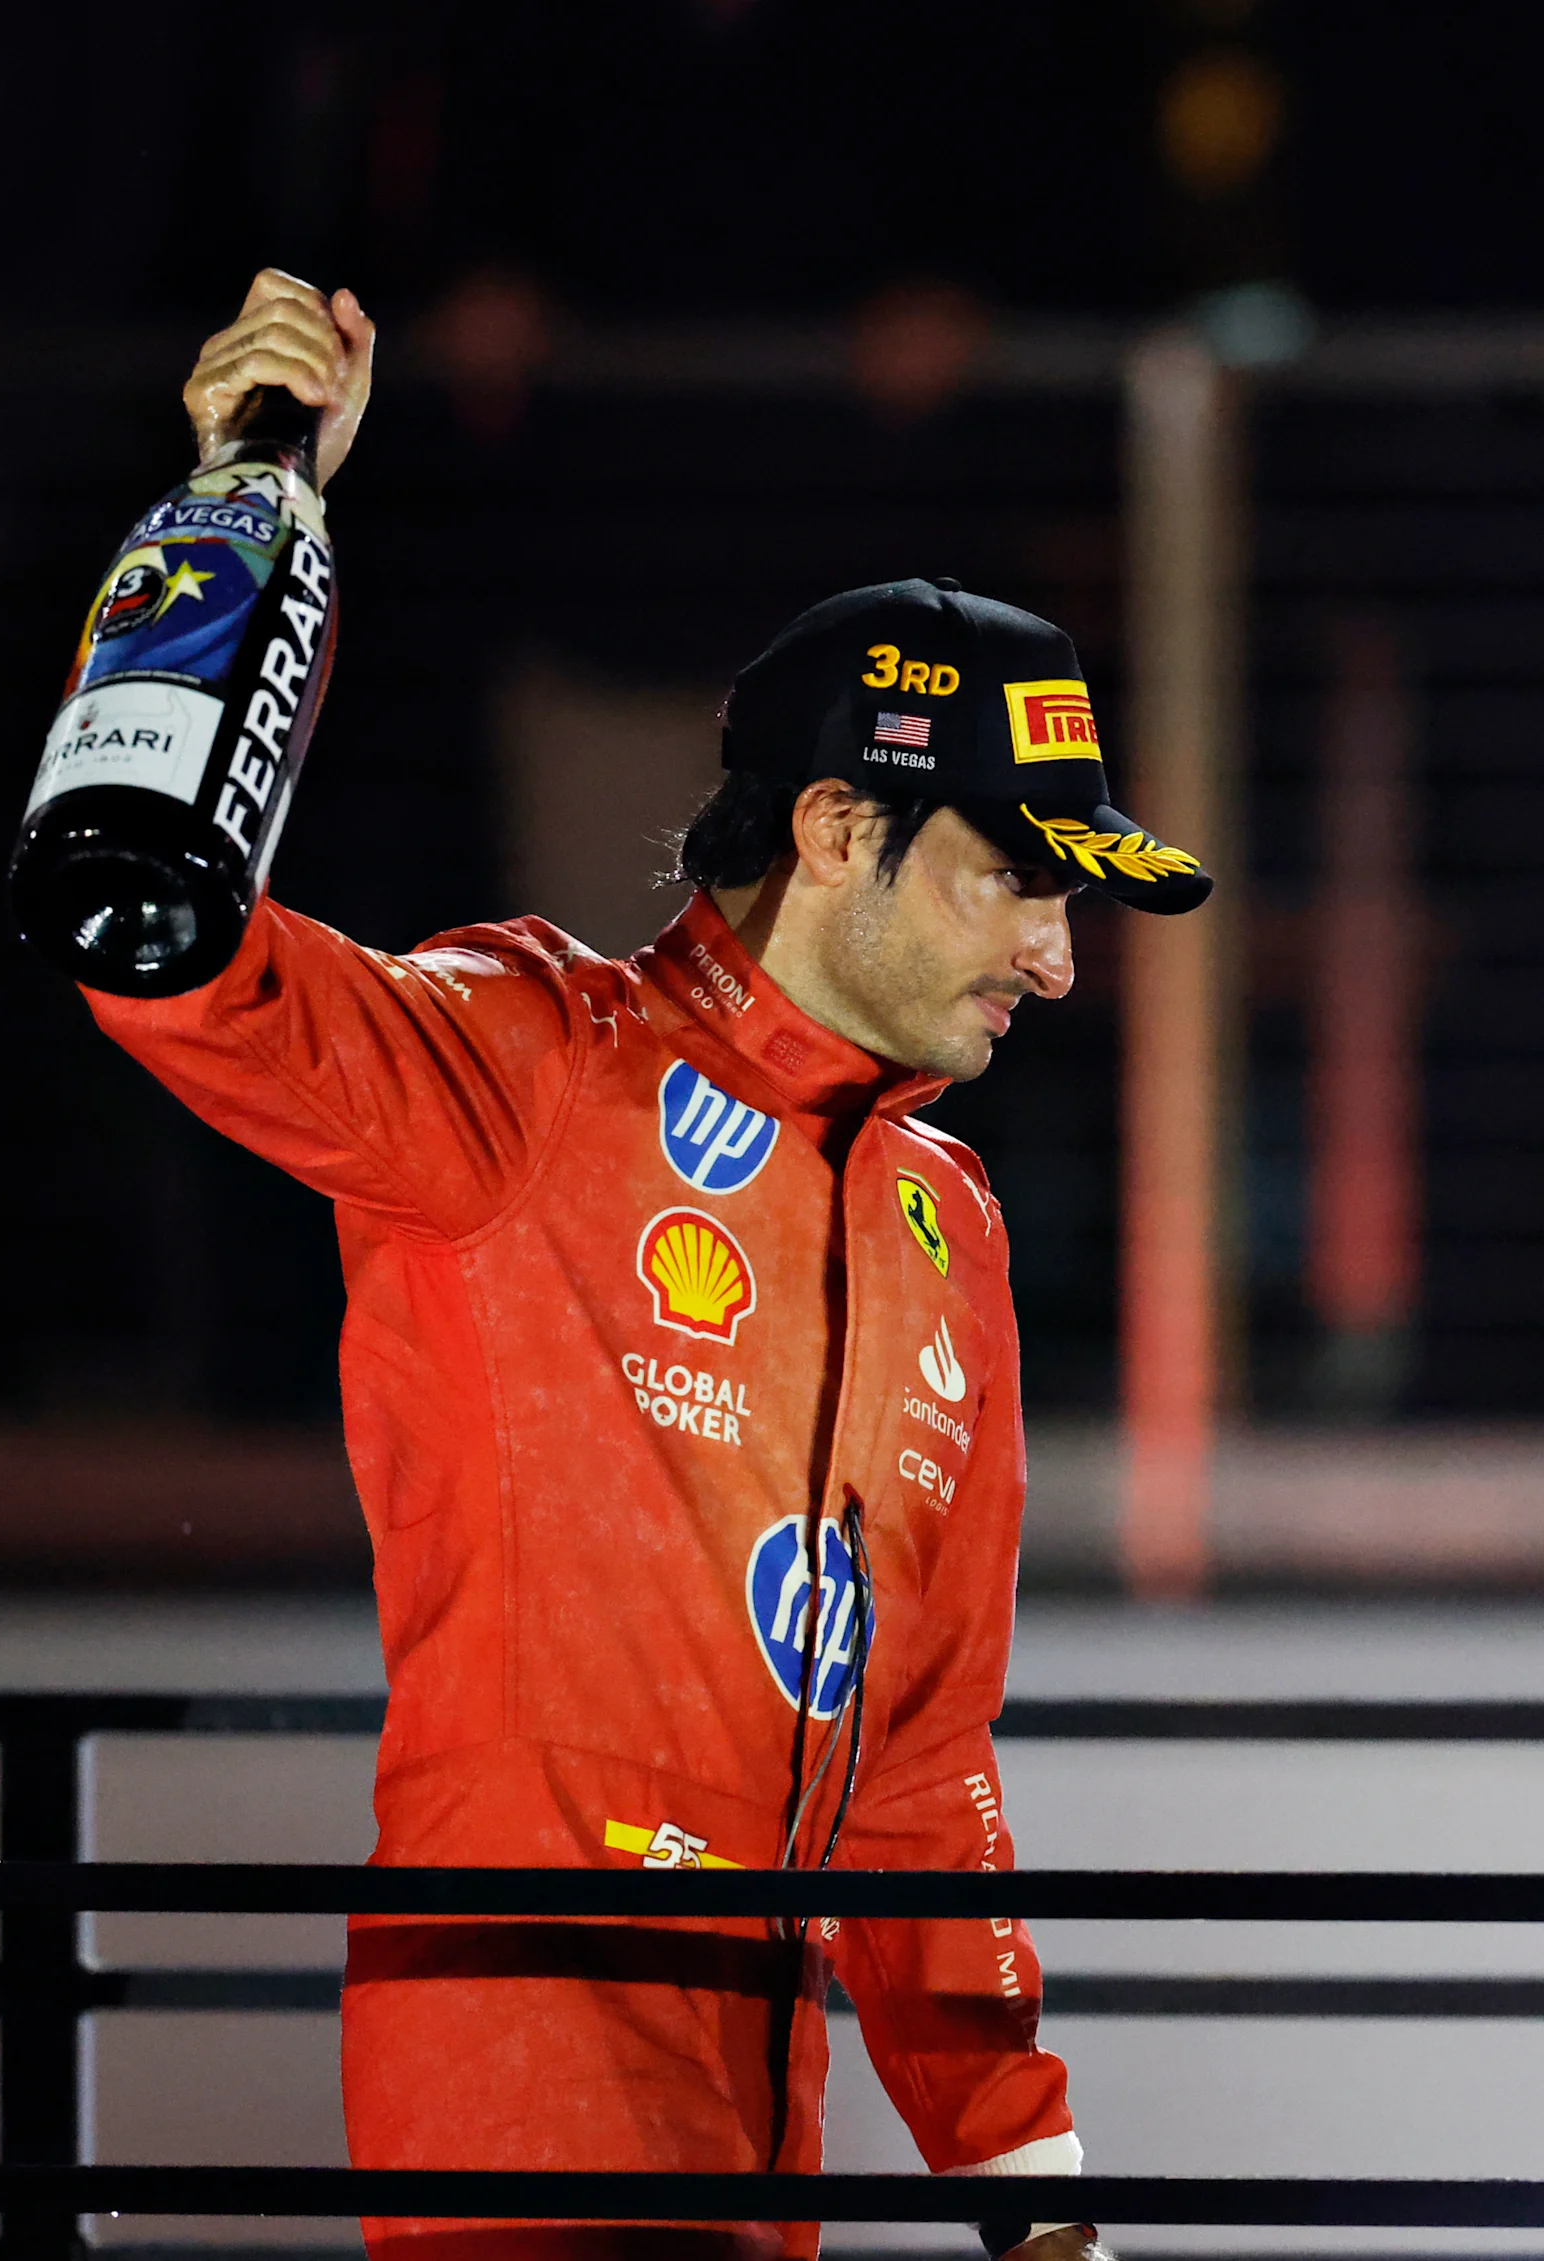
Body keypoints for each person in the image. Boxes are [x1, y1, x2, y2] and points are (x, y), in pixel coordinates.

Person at [81, 271, 1209, 2261]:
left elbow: (918, 1766)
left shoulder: (952, 1223)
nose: (1055, 954)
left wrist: (1031, 2197)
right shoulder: (521, 1053)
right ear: (841, 824)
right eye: (1013, 879)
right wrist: (245, 513)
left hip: (755, 2116)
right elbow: (165, 950)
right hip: (517, 2074)